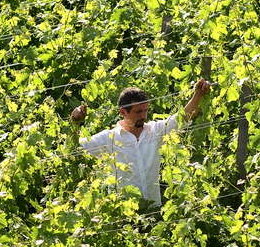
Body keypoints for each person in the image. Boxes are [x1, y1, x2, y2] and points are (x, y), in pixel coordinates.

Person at [69, 79, 211, 205]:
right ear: (123, 112)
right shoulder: (108, 139)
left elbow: (181, 119)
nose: (143, 116)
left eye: (145, 110)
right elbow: (75, 148)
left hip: (153, 211)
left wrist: (198, 95)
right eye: (138, 112)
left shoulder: (155, 131)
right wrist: (75, 124)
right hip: (124, 216)